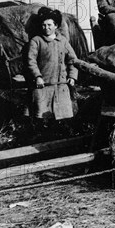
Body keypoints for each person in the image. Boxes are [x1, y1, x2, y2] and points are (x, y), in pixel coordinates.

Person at [26, 7, 78, 135]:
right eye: (43, 25)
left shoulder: (63, 41)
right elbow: (30, 61)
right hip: (43, 86)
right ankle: (43, 138)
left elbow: (73, 60)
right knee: (42, 116)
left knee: (61, 117)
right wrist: (37, 76)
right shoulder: (36, 41)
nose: (46, 28)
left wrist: (72, 76)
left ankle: (61, 138)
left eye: (49, 25)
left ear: (56, 26)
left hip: (61, 85)